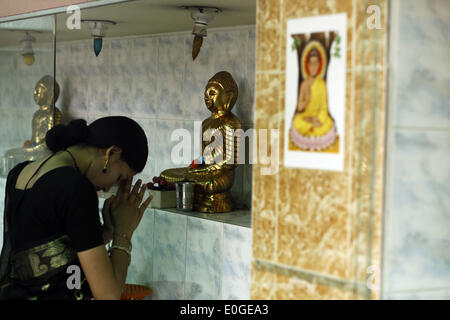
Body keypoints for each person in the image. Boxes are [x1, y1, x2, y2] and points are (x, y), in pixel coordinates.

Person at [0, 116, 152, 300]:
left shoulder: (19, 173)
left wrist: (106, 231)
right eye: (119, 177)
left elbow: (47, 252)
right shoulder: (75, 187)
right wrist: (123, 233)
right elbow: (108, 295)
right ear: (112, 154)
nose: (107, 188)